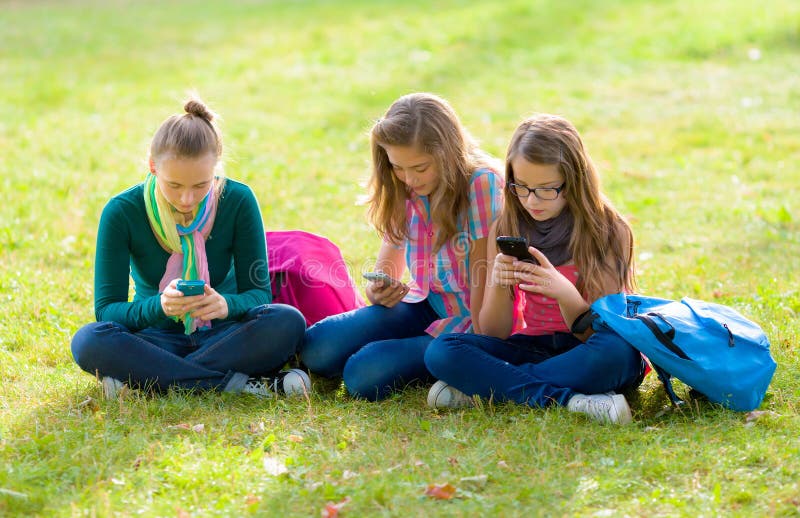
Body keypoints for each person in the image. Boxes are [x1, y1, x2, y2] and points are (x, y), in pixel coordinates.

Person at [71, 97, 309, 399]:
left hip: (225, 335)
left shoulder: (237, 200)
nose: (186, 199)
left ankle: (151, 384)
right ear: (152, 166)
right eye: (174, 185)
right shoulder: (122, 212)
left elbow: (259, 295)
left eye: (200, 185)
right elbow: (106, 312)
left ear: (216, 168)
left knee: (287, 321)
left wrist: (225, 305)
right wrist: (159, 306)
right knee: (89, 340)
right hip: (155, 339)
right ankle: (238, 384)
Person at [424, 114, 647, 424]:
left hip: (590, 348)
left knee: (617, 354)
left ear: (574, 181)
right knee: (443, 350)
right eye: (522, 187)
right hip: (535, 346)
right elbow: (493, 333)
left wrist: (566, 294)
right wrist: (500, 284)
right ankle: (572, 401)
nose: (532, 201)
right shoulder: (506, 225)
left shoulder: (607, 230)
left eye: (546, 189)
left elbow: (602, 330)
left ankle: (490, 387)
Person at [300, 92, 504, 401]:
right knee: (316, 348)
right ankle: (405, 349)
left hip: (469, 321)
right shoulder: (404, 187)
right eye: (398, 167)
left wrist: (472, 349)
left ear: (447, 155)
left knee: (361, 375)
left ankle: (441, 364)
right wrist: (378, 291)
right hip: (426, 303)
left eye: (420, 168)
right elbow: (388, 269)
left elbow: (483, 282)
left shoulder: (481, 184)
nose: (409, 178)